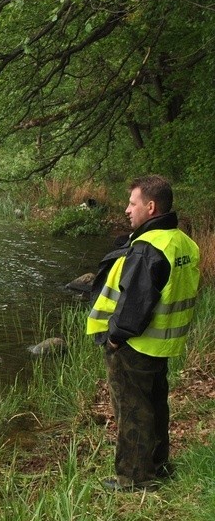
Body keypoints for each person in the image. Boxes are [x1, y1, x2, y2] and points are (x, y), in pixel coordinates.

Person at [87, 175, 200, 492]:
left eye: (132, 203)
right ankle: (158, 465)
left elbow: (135, 306)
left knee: (133, 410)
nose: (127, 210)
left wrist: (115, 337)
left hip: (135, 345)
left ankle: (134, 478)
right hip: (163, 343)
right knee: (154, 404)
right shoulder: (182, 242)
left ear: (150, 207)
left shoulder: (147, 249)